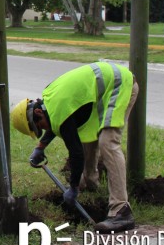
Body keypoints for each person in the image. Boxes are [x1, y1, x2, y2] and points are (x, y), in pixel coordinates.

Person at [11, 62, 139, 233]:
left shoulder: (58, 108)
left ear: (37, 113)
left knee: (108, 142)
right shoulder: (50, 100)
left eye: (40, 127)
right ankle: (90, 183)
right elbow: (56, 123)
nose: (44, 130)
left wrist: (73, 187)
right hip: (102, 90)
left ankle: (121, 210)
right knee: (88, 136)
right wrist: (40, 146)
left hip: (119, 85)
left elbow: (75, 153)